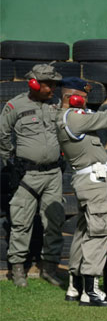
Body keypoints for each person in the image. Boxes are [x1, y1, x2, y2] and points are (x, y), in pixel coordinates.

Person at [56, 77, 107, 307]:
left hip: (89, 181)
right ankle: (91, 291)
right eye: (83, 97)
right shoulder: (72, 117)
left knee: (84, 230)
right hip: (93, 183)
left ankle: (75, 285)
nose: (85, 102)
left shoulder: (70, 117)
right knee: (99, 230)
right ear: (72, 97)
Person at [0, 63, 65, 287]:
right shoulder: (15, 105)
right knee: (21, 222)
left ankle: (49, 268)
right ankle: (18, 270)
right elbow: (2, 134)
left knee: (54, 222)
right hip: (26, 175)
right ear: (34, 83)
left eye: (55, 83)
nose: (53, 88)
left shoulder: (57, 104)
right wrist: (9, 164)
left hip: (54, 173)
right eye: (48, 84)